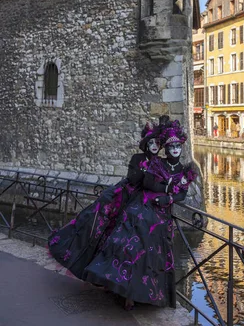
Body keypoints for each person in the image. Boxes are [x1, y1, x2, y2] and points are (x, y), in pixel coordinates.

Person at [84, 120, 197, 309]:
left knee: (153, 255)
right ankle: (125, 291)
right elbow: (148, 183)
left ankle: (148, 294)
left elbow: (182, 194)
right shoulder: (157, 163)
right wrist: (168, 187)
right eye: (172, 146)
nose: (175, 149)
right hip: (143, 208)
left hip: (162, 216)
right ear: (167, 149)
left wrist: (168, 199)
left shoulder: (184, 171)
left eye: (178, 146)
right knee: (132, 246)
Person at [47, 120, 162, 298]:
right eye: (151, 142)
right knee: (105, 233)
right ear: (146, 144)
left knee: (133, 245)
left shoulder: (160, 163)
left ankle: (129, 288)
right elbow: (132, 178)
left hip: (143, 204)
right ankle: (103, 276)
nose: (154, 146)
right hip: (124, 199)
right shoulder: (137, 159)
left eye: (157, 143)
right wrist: (147, 172)